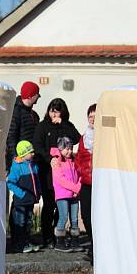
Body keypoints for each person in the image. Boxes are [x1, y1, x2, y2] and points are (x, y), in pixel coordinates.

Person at [32, 98, 81, 248]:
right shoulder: (43, 126)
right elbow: (37, 146)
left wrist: (63, 124)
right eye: (52, 111)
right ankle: (47, 237)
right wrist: (49, 158)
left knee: (63, 205)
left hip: (65, 172)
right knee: (49, 204)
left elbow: (77, 138)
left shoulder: (66, 125)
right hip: (48, 171)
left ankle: (58, 235)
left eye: (57, 111)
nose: (54, 114)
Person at [7, 140, 41, 253]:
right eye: (30, 152)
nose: (33, 154)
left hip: (30, 200)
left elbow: (37, 182)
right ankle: (18, 244)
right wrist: (22, 194)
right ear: (23, 153)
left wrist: (38, 193)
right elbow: (10, 183)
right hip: (20, 202)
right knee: (19, 222)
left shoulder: (34, 165)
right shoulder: (17, 167)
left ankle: (26, 242)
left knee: (28, 222)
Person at [50, 137, 81, 252]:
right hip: (63, 194)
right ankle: (60, 242)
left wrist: (77, 188)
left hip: (74, 195)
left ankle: (74, 241)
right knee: (63, 216)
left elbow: (80, 173)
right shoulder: (56, 161)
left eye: (70, 148)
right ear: (60, 149)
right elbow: (60, 180)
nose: (69, 151)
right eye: (66, 149)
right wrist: (76, 188)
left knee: (74, 218)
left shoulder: (74, 160)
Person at [75, 104, 96, 255]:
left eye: (95, 117)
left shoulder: (106, 137)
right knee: (86, 215)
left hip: (100, 183)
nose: (92, 120)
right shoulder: (84, 138)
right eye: (90, 117)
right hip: (86, 182)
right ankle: (93, 241)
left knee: (98, 216)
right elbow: (79, 159)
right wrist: (81, 172)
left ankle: (96, 247)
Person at [6, 81, 41, 171]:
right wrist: (15, 156)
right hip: (20, 160)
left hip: (32, 158)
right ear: (30, 96)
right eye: (37, 94)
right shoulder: (16, 112)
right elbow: (11, 136)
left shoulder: (34, 115)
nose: (38, 97)